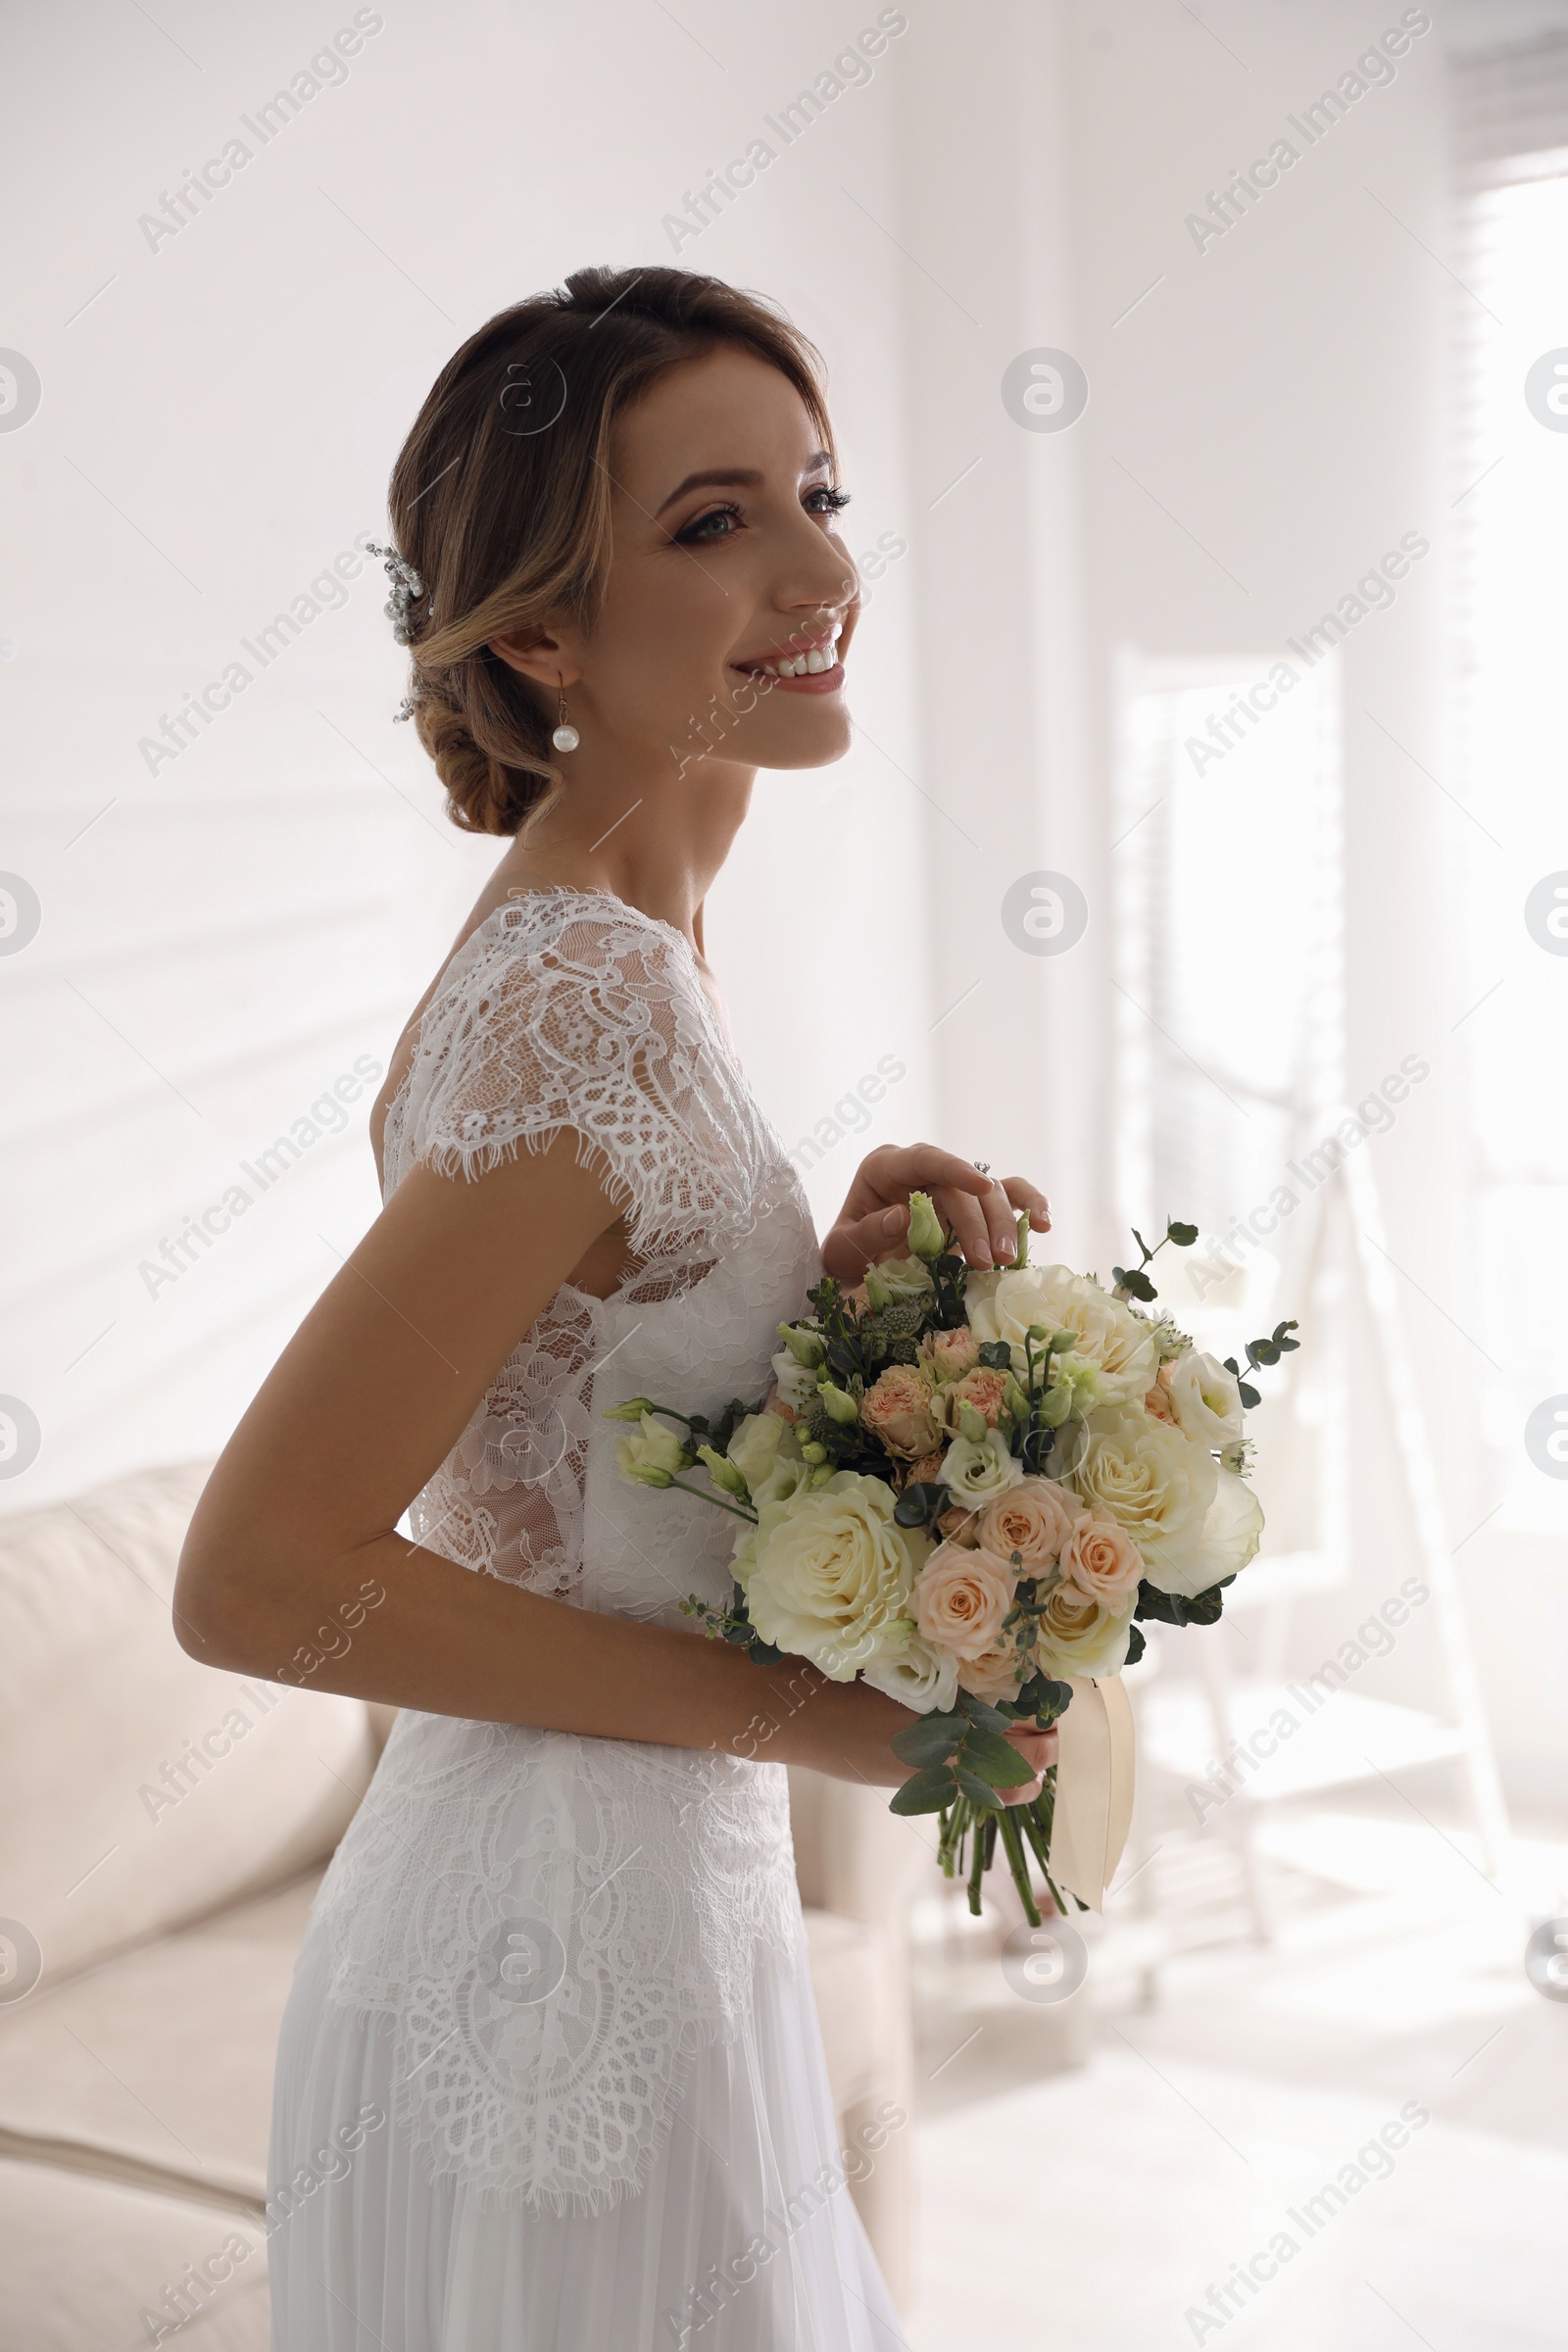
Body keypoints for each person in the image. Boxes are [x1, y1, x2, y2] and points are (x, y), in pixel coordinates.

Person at [174, 264, 1055, 2350]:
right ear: (538, 633)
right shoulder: (583, 1001)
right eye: (712, 520)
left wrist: (843, 1294)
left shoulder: (629, 942)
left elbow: (582, 1410)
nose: (816, 563)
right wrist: (851, 1724)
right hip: (550, 1990)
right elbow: (256, 1576)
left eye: (813, 491)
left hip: (639, 1915)